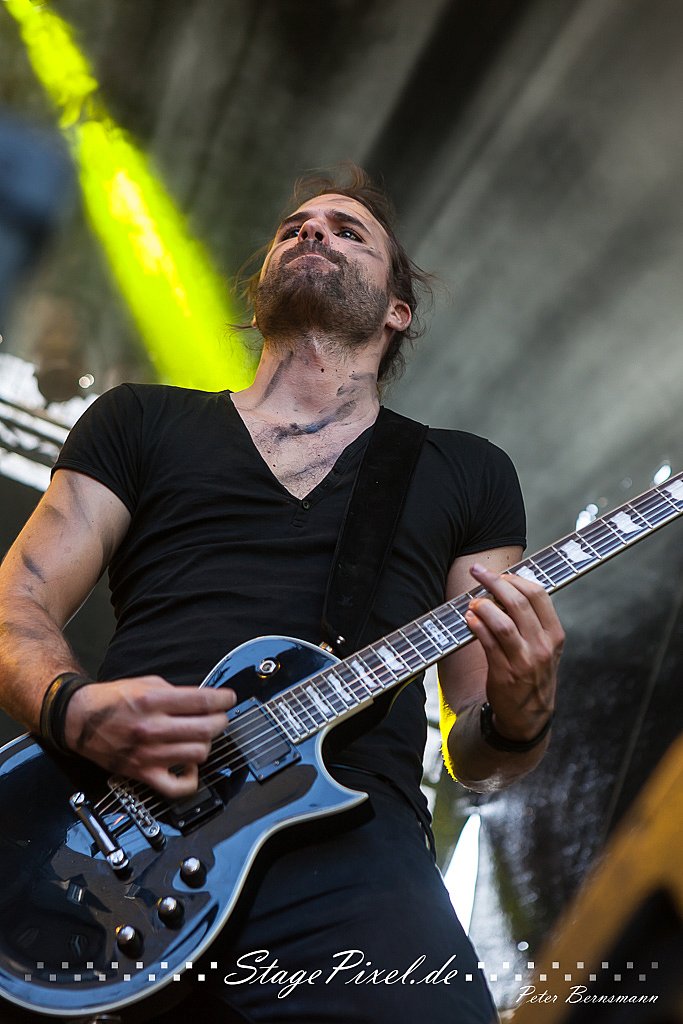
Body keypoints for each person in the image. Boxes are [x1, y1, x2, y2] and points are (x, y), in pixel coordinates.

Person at [0, 165, 564, 1023]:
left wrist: (523, 714)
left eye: (348, 231)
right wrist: (71, 710)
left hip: (351, 848)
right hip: (112, 827)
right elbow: (16, 603)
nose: (311, 231)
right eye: (293, 226)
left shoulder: (466, 471)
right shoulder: (139, 419)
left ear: (396, 310)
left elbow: (476, 749)